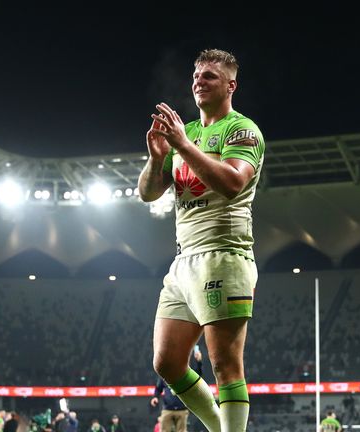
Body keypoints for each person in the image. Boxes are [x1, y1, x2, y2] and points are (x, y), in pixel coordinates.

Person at [138, 48, 265, 432]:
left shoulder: (242, 130)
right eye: (196, 75)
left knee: (226, 366)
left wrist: (182, 146)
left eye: (210, 75)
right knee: (166, 362)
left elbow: (231, 182)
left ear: (231, 85)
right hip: (183, 263)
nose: (199, 81)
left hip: (224, 256)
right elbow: (147, 193)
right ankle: (217, 427)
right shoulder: (187, 133)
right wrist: (157, 157)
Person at [151, 349, 204, 432]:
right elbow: (158, 388)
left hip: (181, 409)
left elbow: (198, 375)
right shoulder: (165, 374)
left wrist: (199, 362)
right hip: (167, 409)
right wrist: (155, 397)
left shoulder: (185, 374)